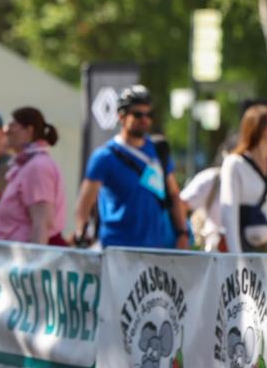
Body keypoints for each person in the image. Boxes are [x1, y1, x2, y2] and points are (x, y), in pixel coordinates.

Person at [73, 85, 189, 249]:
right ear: (121, 117)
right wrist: (82, 233)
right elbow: (85, 202)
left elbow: (174, 194)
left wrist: (182, 233)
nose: (145, 119)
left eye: (149, 114)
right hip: (116, 247)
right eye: (138, 114)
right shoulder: (104, 156)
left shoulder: (158, 150)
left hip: (155, 247)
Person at [220, 104, 267, 253]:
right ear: (259, 127)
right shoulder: (234, 163)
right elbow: (229, 211)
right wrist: (236, 256)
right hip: (247, 242)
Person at [0, 107, 68, 245]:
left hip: (25, 260)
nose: (5, 130)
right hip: (14, 257)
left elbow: (42, 223)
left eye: (12, 125)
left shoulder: (38, 166)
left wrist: (33, 264)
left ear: (29, 130)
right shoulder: (26, 165)